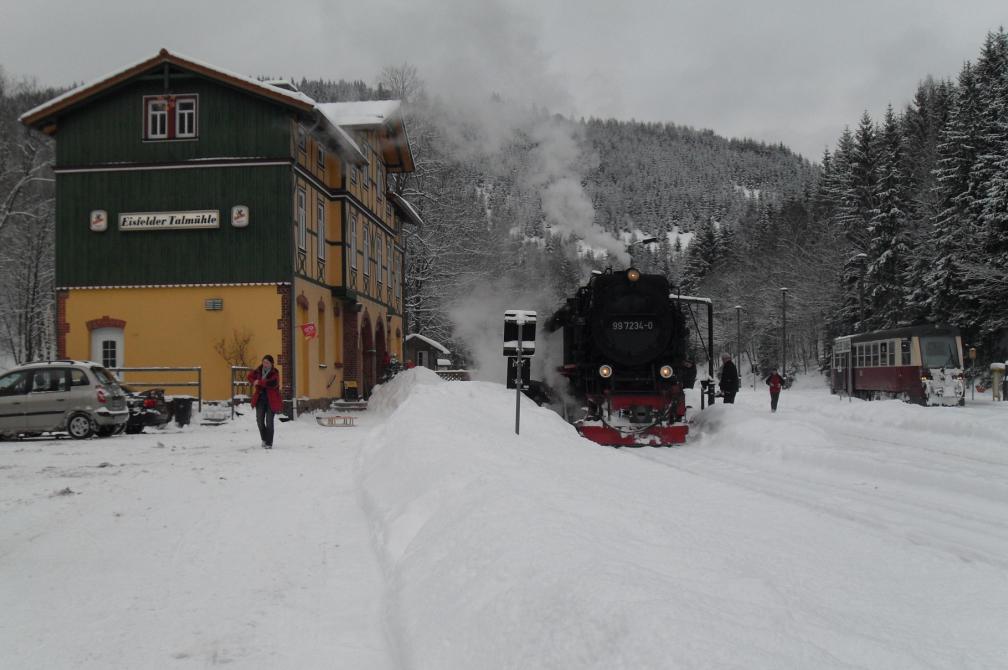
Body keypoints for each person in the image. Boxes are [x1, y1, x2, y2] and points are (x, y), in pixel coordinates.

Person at [247, 355, 282, 449]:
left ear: (271, 363)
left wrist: (259, 382)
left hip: (272, 400)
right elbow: (249, 376)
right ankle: (264, 439)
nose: (265, 364)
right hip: (260, 399)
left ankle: (269, 443)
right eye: (264, 362)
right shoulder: (258, 370)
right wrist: (254, 381)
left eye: (267, 363)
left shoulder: (275, 372)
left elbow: (273, 383)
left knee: (269, 421)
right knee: (259, 420)